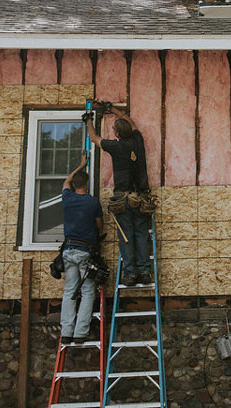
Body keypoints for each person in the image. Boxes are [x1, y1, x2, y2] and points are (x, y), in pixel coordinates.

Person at [87, 106, 152, 287]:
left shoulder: (116, 147)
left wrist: (88, 120)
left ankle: (130, 274)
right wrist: (113, 110)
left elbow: (93, 138)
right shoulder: (138, 141)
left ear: (116, 133)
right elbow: (131, 123)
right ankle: (145, 272)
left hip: (123, 199)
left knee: (126, 236)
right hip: (141, 198)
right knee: (140, 234)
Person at [59, 152, 104, 343]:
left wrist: (80, 165)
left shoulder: (67, 198)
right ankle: (80, 333)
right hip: (85, 251)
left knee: (70, 290)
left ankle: (66, 333)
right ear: (87, 185)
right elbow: (100, 225)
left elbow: (66, 182)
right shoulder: (93, 202)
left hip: (68, 250)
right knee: (87, 291)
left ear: (74, 185)